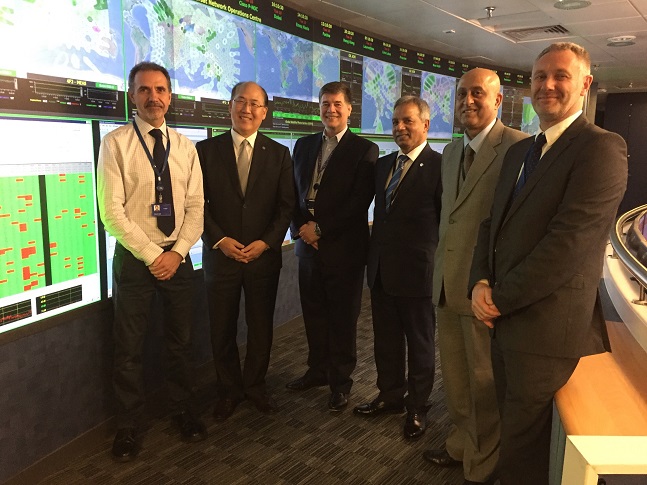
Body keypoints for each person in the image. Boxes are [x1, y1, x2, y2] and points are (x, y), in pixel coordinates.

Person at [468, 42, 628, 485]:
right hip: (503, 321)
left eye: (560, 75)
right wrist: (479, 280)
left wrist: (498, 297)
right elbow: (491, 223)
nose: (548, 85)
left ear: (585, 84)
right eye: (540, 76)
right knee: (515, 435)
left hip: (544, 332)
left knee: (524, 452)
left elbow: (567, 247)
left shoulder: (601, 149)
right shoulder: (522, 151)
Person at [423, 68, 528, 484]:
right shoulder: (450, 153)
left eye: (478, 93)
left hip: (484, 291)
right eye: (462, 93)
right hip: (447, 287)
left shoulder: (520, 149)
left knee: (484, 385)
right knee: (456, 380)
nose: (468, 100)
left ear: (498, 100)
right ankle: (463, 443)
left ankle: (482, 466)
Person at [97, 62, 206, 461]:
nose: (153, 97)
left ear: (170, 96)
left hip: (178, 258)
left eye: (160, 90)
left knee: (182, 343)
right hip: (134, 261)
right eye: (145, 90)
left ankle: (184, 411)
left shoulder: (185, 146)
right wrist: (152, 255)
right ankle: (128, 427)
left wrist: (176, 254)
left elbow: (196, 207)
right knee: (128, 349)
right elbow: (111, 211)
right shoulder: (115, 143)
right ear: (133, 95)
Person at [196, 81, 294, 421]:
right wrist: (220, 240)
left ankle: (255, 386)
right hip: (220, 257)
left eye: (255, 104)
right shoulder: (205, 152)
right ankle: (229, 390)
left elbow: (285, 208)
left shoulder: (279, 154)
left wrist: (266, 242)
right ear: (230, 106)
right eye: (241, 101)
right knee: (221, 329)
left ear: (264, 113)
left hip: (261, 258)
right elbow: (197, 205)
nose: (247, 109)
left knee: (260, 326)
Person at [353, 96, 441, 440]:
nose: (400, 128)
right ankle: (390, 396)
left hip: (418, 274)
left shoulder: (438, 167)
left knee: (420, 345)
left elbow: (443, 221)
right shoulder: (384, 164)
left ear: (425, 125)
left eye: (407, 121)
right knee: (386, 342)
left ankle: (418, 407)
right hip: (381, 272)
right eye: (394, 122)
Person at [287, 81, 378, 412]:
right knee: (314, 315)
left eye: (337, 103)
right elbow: (292, 194)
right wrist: (301, 229)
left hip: (344, 251)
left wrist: (320, 228)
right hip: (307, 249)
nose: (331, 109)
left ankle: (341, 382)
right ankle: (317, 370)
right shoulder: (303, 145)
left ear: (350, 109)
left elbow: (358, 203)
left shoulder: (364, 149)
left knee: (342, 319)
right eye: (325, 103)